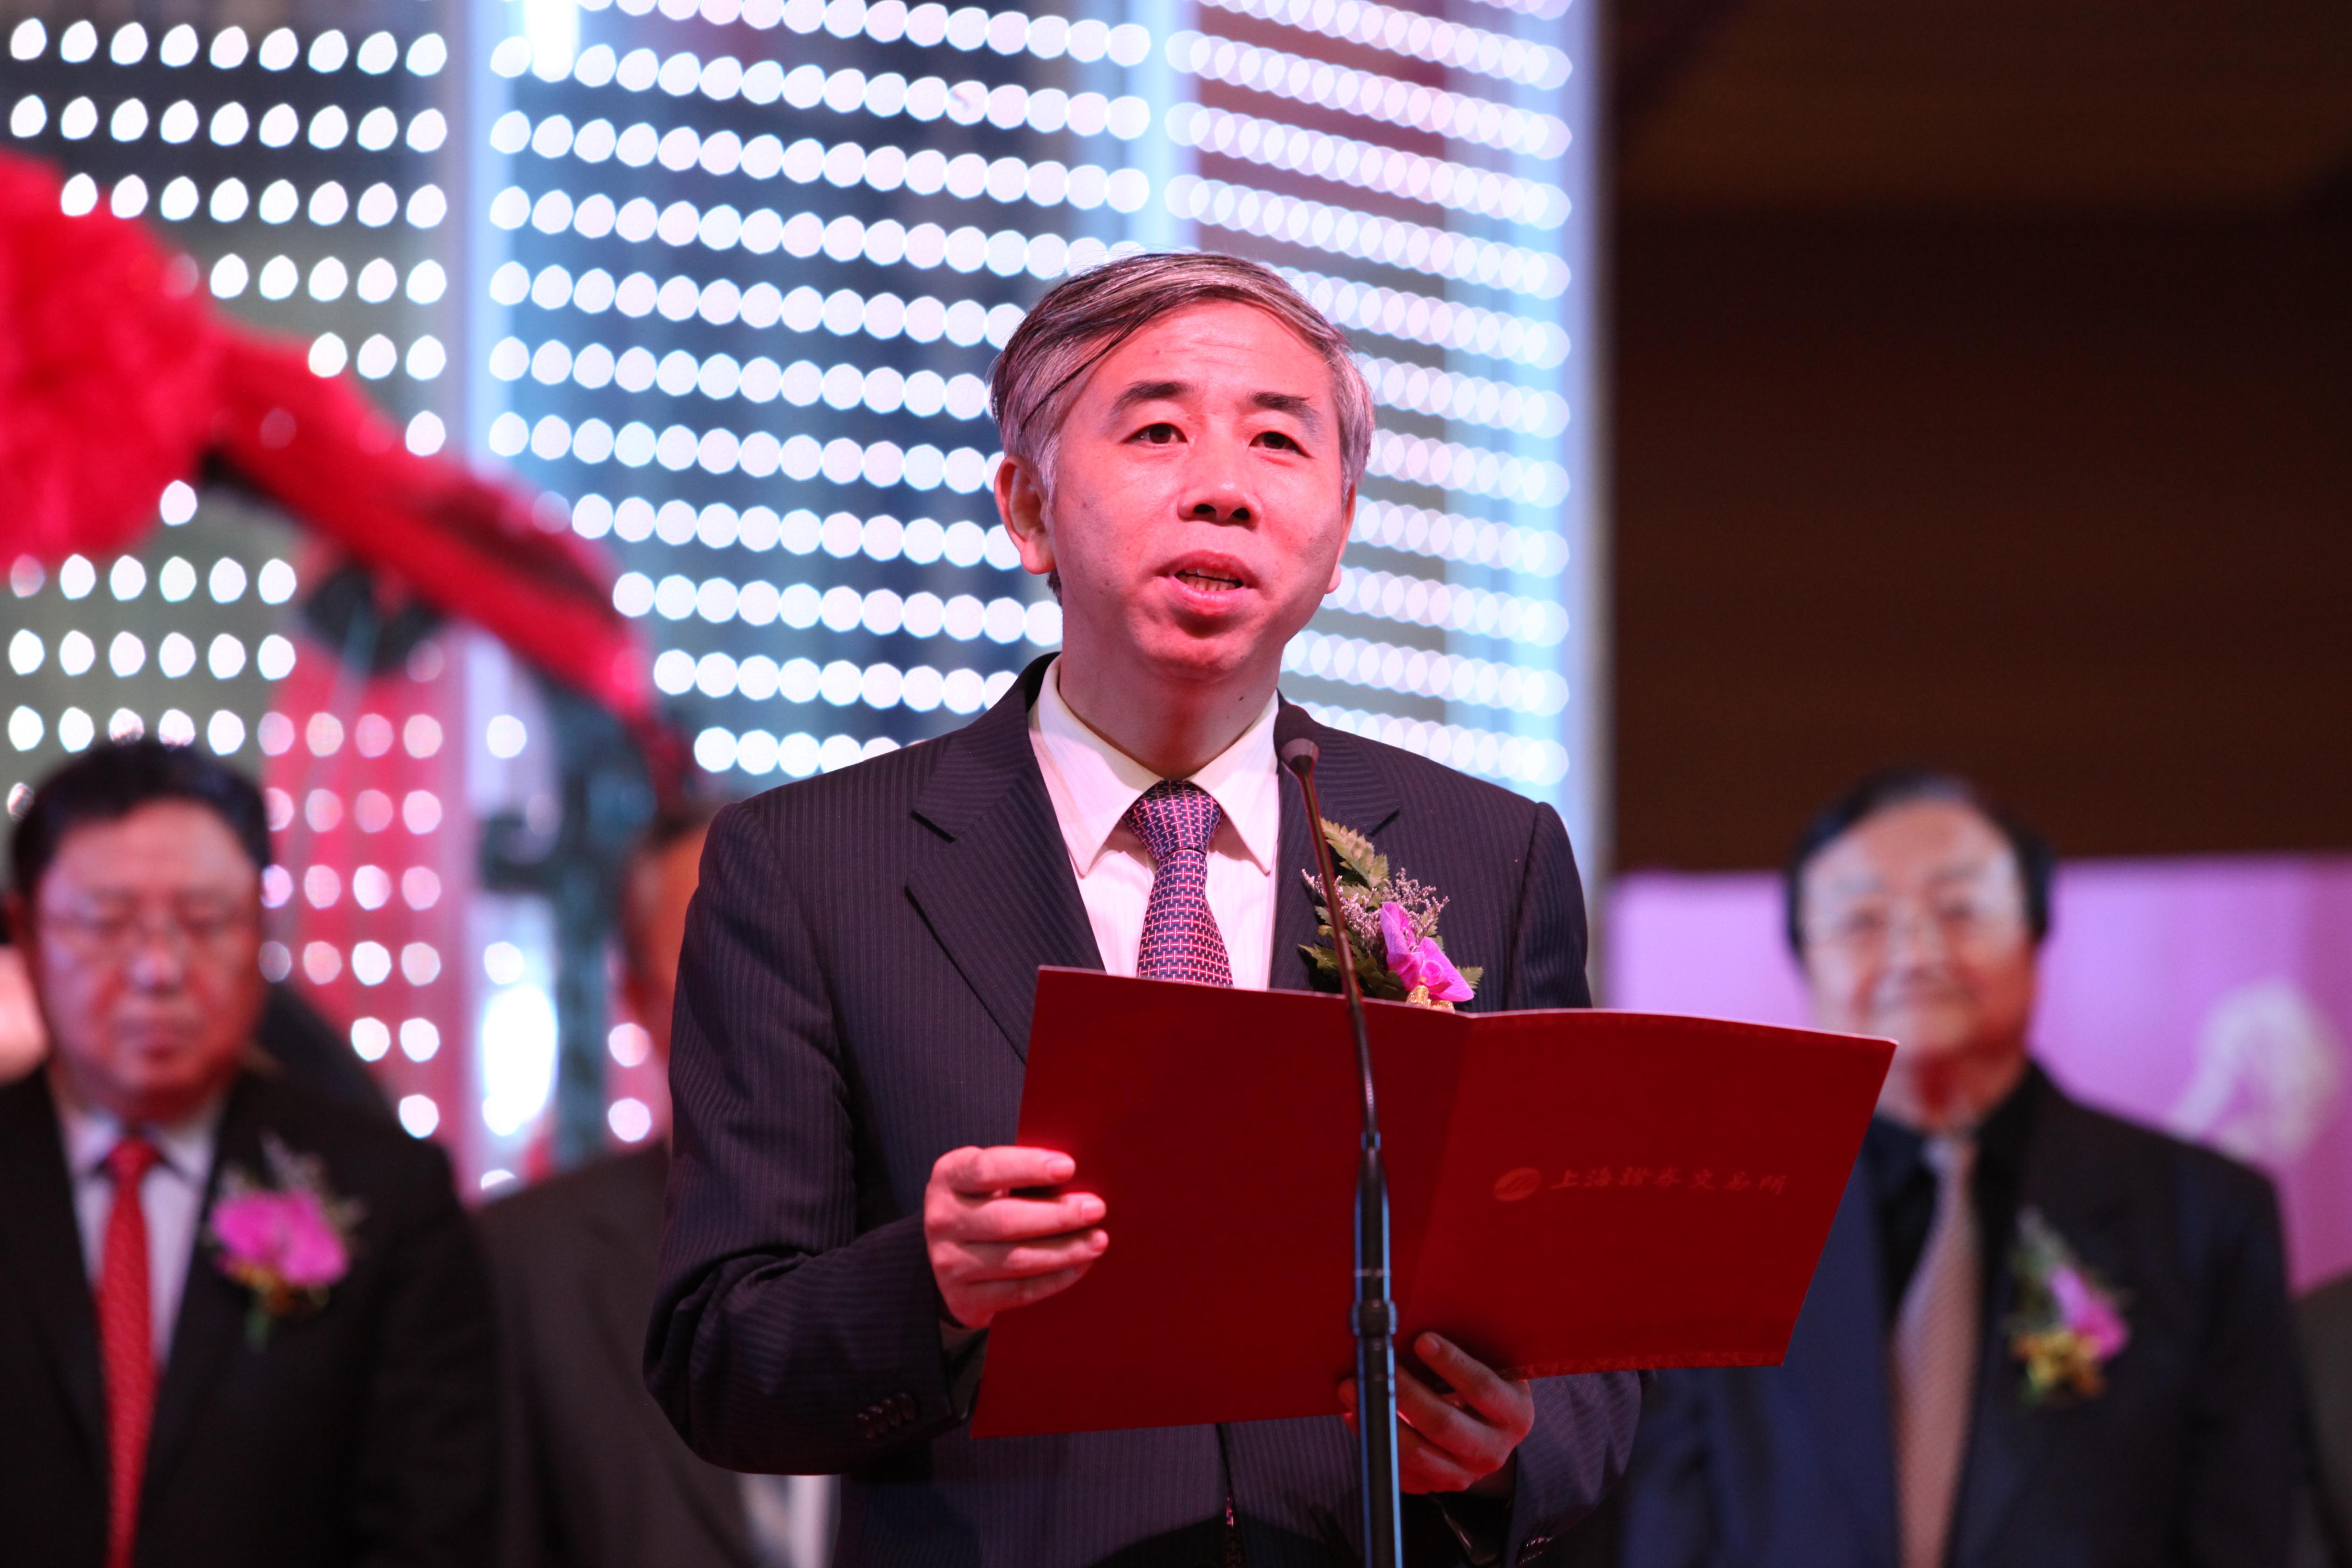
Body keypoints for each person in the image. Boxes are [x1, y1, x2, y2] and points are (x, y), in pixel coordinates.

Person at [645, 252, 1641, 1566]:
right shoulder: (811, 865)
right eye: (1158, 430)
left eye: (1277, 441)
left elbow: (1585, 1349)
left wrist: (1508, 1446)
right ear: (1028, 509)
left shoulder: (1486, 851)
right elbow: (719, 1351)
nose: (1222, 486)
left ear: (1339, 531)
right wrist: (930, 1286)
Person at [1611, 767, 2301, 1568]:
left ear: (2036, 936)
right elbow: (1661, 1528)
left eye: (1961, 909)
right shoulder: (1707, 1221)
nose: (1915, 953)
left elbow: (2248, 1527)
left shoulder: (2203, 1214)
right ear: (1803, 962)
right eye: (1861, 920)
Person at [0, 738, 497, 1567]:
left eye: (204, 921)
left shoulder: (387, 1193)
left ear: (262, 932)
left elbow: (432, 1523)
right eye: (106, 922)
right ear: (24, 932)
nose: (158, 968)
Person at [482, 805, 834, 1568]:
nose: (770, 996)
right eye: (722, 958)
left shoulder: (936, 1232)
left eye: (795, 952)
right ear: (640, 1000)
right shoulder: (524, 1259)